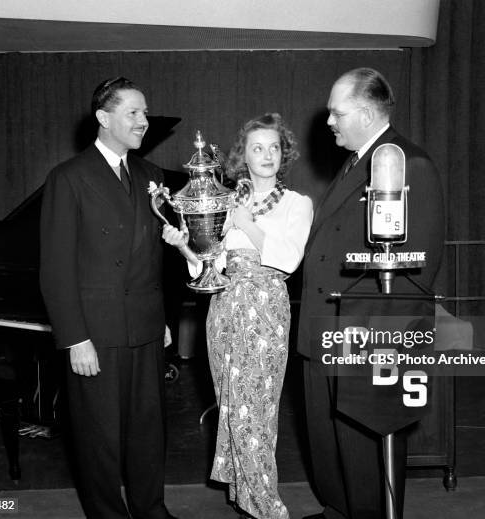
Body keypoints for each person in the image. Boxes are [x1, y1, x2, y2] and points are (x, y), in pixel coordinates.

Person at [297, 68, 445, 519]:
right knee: (327, 440)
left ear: (363, 113)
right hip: (325, 329)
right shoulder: (357, 160)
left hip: (365, 337)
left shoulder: (405, 164)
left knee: (363, 445)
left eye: (336, 113)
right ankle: (337, 512)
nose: (329, 122)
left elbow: (419, 266)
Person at [39, 77, 179, 519]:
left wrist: (163, 321)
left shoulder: (151, 176)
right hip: (95, 333)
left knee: (148, 430)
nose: (144, 121)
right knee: (98, 438)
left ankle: (150, 509)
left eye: (144, 112)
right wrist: (74, 338)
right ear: (103, 118)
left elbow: (154, 260)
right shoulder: (69, 178)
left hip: (144, 325)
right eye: (133, 113)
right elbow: (55, 269)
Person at [163, 113, 313, 519]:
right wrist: (183, 248)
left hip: (265, 309)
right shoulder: (226, 201)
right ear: (242, 156)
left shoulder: (298, 204)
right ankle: (246, 497)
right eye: (257, 148)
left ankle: (266, 505)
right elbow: (209, 264)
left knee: (257, 408)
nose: (267, 155)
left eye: (274, 148)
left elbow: (289, 260)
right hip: (224, 307)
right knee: (231, 405)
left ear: (285, 155)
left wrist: (251, 225)